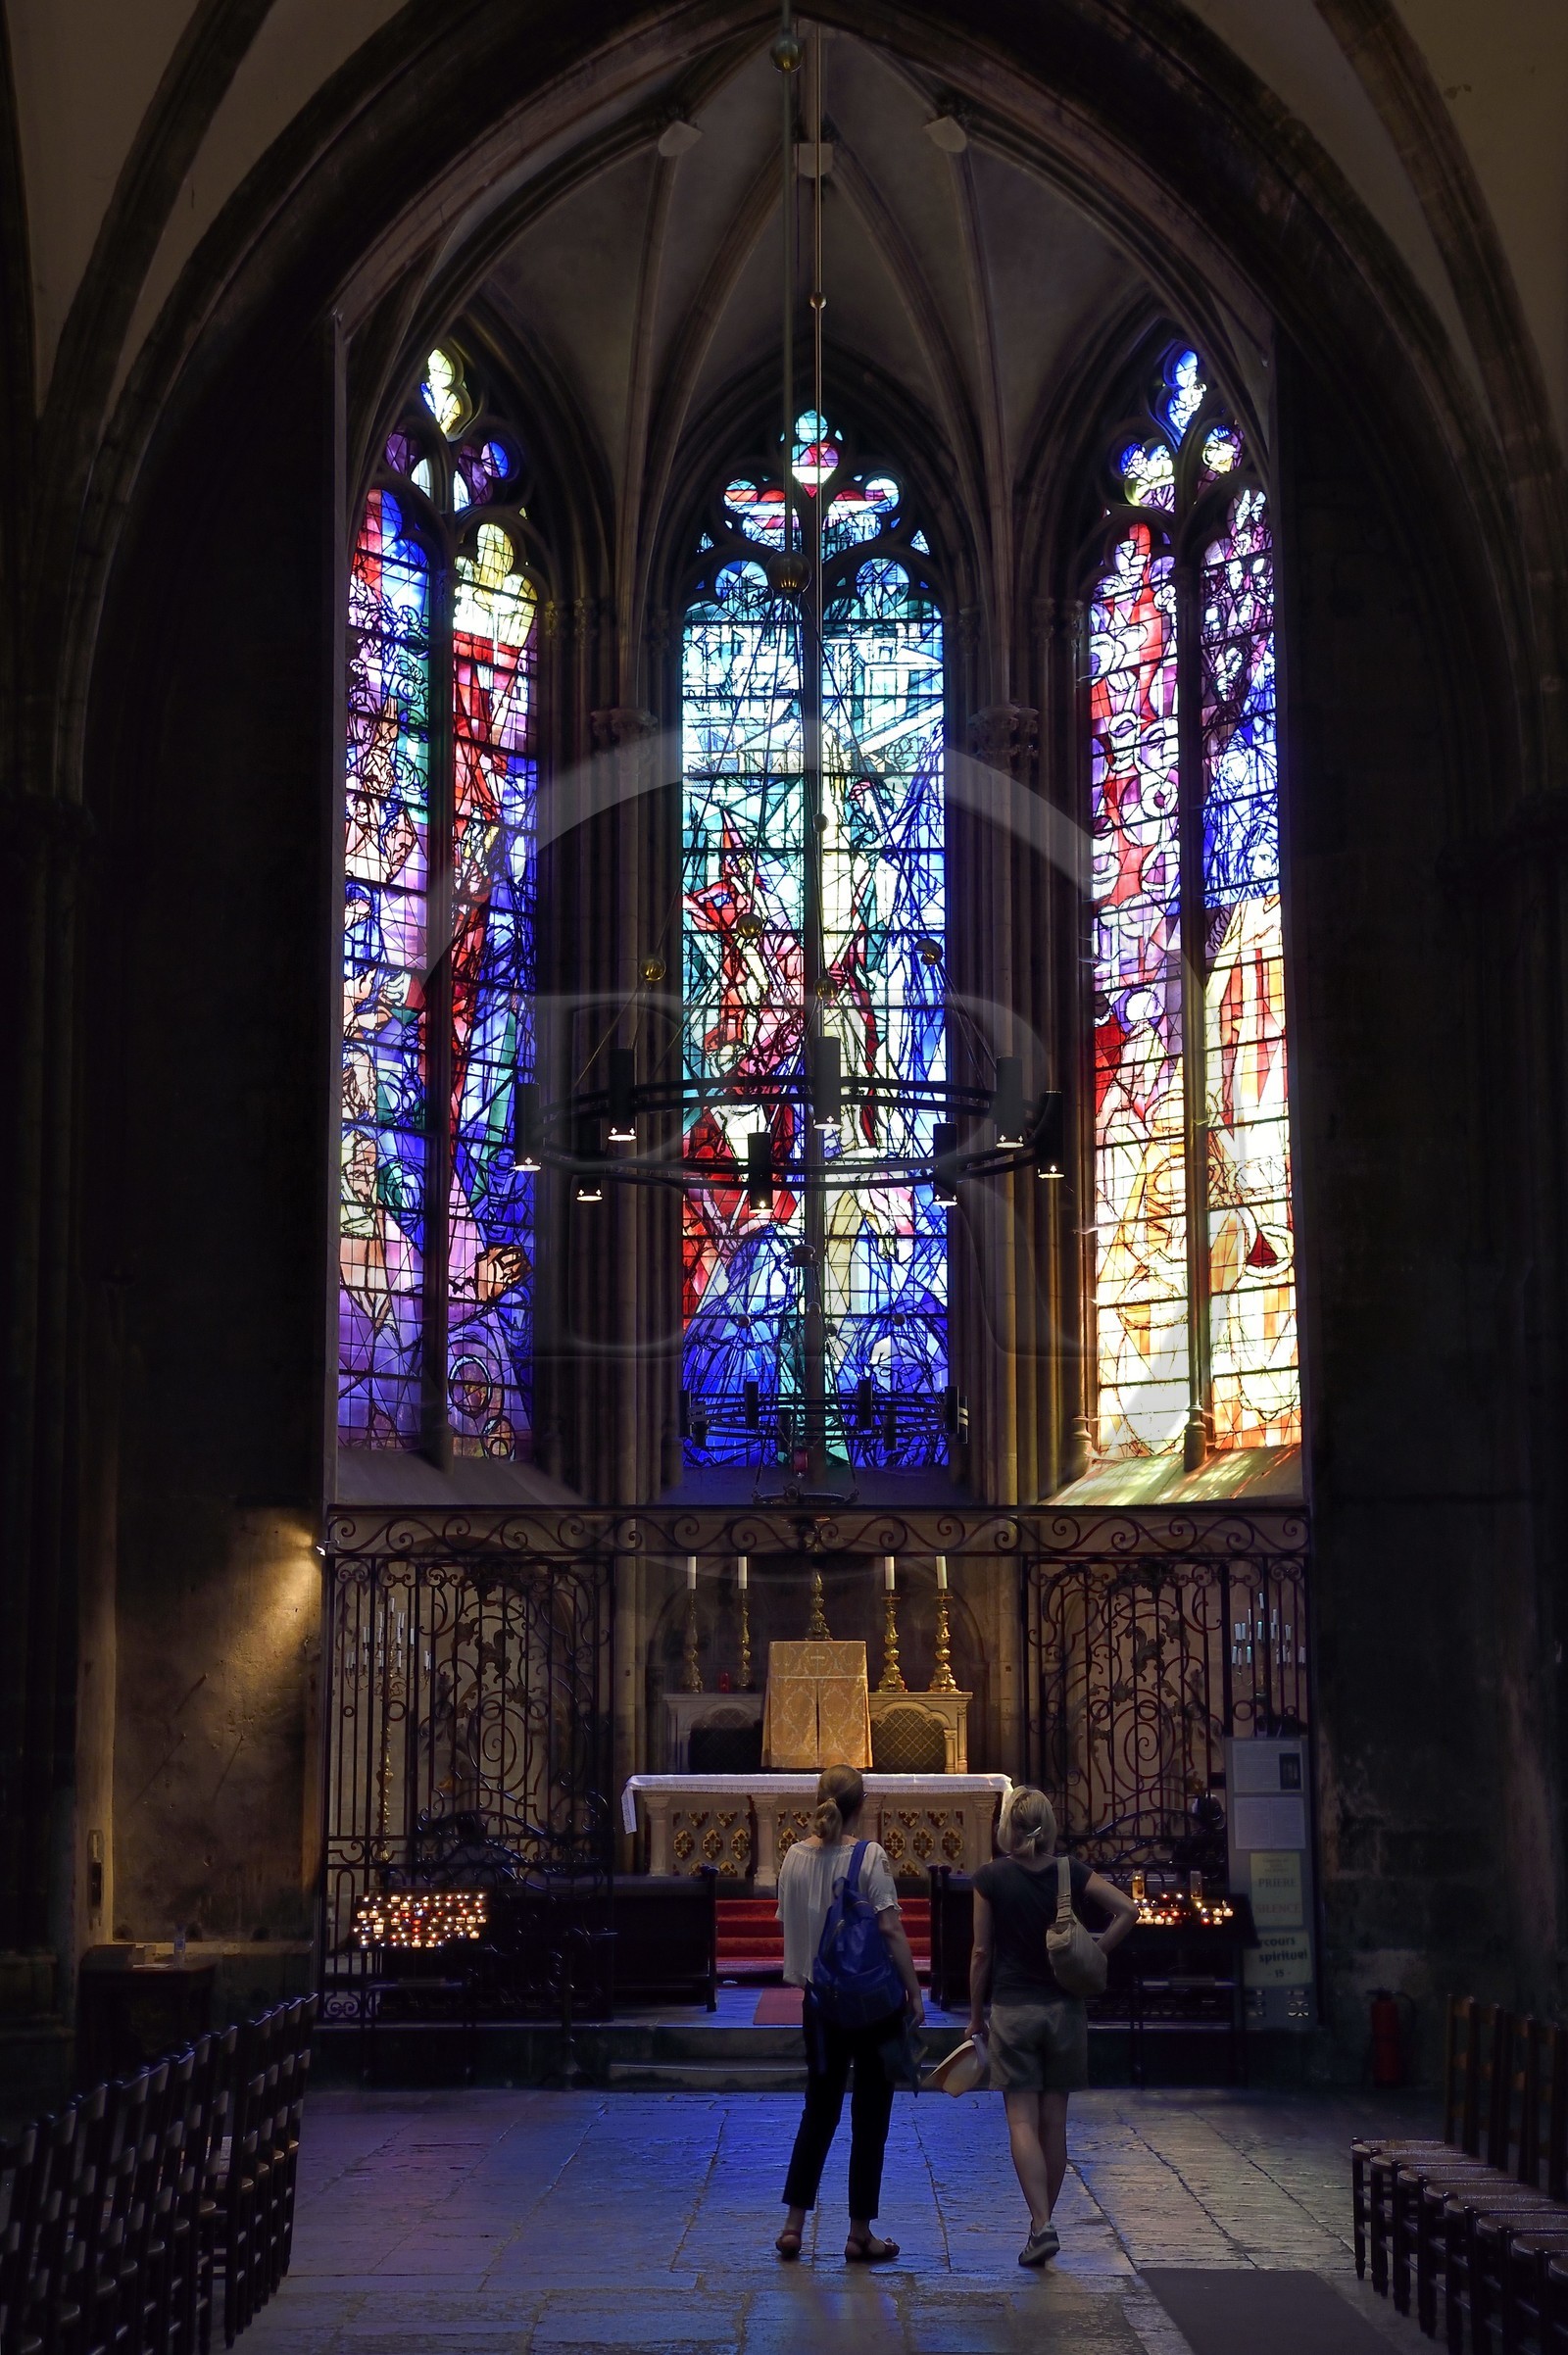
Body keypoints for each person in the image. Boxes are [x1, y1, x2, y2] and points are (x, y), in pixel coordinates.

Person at [968, 1786, 1137, 2267]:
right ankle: (1040, 2225)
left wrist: (976, 2015)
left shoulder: (990, 1878)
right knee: (1054, 2125)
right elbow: (1128, 1910)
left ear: (1007, 1828)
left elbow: (981, 1952)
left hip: (1014, 2012)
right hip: (1064, 2011)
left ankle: (1041, 2224)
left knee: (1021, 2121)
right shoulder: (1070, 1872)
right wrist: (1093, 1953)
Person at [774, 1762, 925, 2263]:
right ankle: (859, 2232)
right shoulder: (870, 1856)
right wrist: (914, 1991)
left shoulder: (793, 1857)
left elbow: (790, 1923)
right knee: (870, 2117)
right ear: (863, 1803)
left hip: (819, 2003)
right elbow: (890, 1929)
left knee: (818, 2111)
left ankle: (794, 2225)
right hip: (873, 2006)